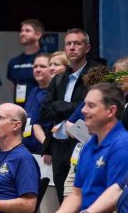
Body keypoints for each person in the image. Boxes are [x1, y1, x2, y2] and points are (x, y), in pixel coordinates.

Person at [49, 82, 128, 213]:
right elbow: (76, 194)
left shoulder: (124, 146)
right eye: (84, 104)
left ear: (111, 111)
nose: (83, 110)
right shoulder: (88, 146)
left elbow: (115, 199)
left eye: (91, 106)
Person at [38, 28, 100, 203]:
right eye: (68, 44)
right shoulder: (58, 78)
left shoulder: (95, 73)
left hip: (82, 140)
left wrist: (58, 106)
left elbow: (87, 108)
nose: (72, 47)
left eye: (77, 43)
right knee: (61, 196)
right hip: (58, 144)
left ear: (87, 48)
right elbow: (44, 111)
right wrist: (66, 107)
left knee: (80, 195)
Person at [7, 19, 44, 106]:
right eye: (22, 31)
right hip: (20, 108)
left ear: (38, 35)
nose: (22, 34)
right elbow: (13, 87)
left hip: (40, 107)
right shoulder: (14, 62)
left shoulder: (45, 59)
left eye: (27, 31)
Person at [24, 53, 51, 155]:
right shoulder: (33, 91)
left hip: (44, 152)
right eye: (35, 66)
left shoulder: (52, 93)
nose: (38, 69)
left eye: (43, 66)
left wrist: (47, 148)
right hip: (28, 149)